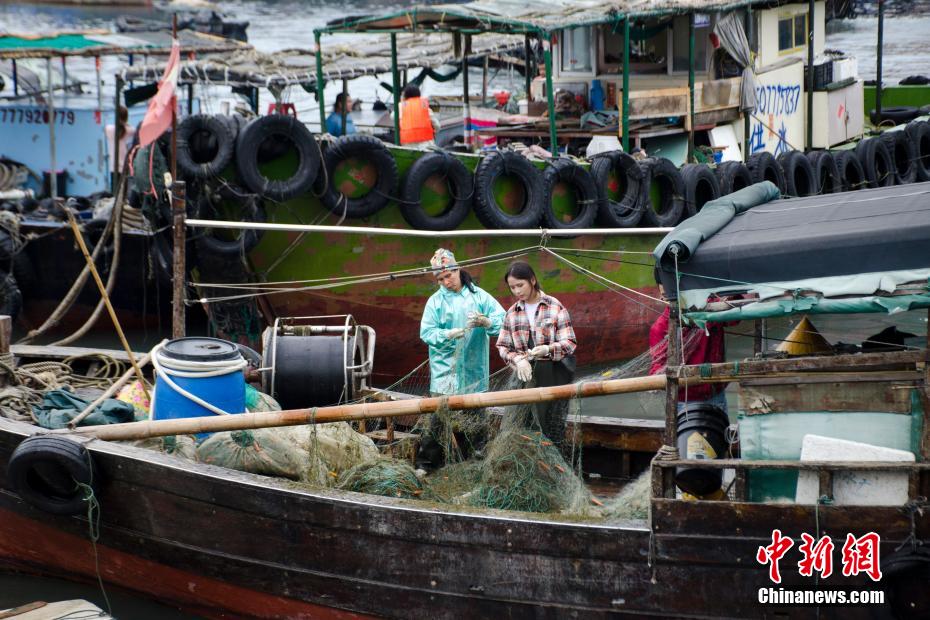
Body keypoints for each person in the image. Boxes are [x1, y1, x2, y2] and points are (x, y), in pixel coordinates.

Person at [418, 248, 505, 468]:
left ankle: (474, 464)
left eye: (449, 275)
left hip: (474, 371)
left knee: (476, 423)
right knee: (435, 422)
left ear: (458, 269)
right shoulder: (435, 302)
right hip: (444, 372)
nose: (446, 282)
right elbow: (426, 333)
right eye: (440, 278)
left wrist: (487, 322)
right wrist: (446, 334)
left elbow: (503, 318)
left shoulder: (480, 296)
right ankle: (426, 464)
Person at [496, 261, 577, 450]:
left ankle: (552, 461)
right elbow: (502, 345)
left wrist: (548, 349)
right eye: (512, 287)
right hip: (525, 374)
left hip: (553, 373)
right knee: (522, 420)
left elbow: (570, 342)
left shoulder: (554, 306)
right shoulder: (512, 313)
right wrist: (516, 359)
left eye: (520, 285)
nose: (517, 291)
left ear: (532, 280)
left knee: (550, 422)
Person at [648, 285, 729, 413]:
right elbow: (658, 364)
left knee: (719, 430)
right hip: (684, 401)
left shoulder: (711, 311)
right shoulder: (661, 328)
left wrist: (731, 293)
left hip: (715, 394)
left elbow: (733, 319)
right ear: (662, 296)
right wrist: (656, 378)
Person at [105, 106, 136, 173]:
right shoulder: (131, 130)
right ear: (126, 118)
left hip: (114, 168)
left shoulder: (109, 129)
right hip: (126, 167)